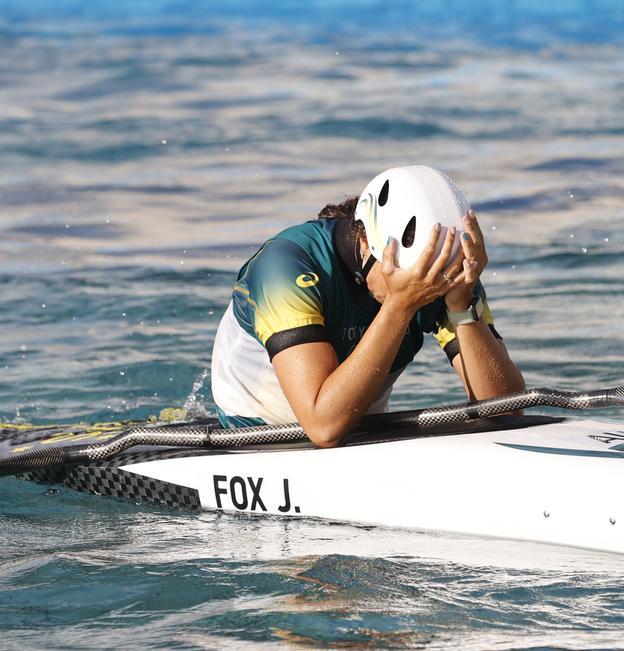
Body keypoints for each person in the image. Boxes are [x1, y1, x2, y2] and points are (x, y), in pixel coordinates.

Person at [210, 165, 525, 447]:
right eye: (411, 276)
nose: (426, 287)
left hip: (358, 428)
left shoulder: (442, 271)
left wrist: (461, 302)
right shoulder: (284, 266)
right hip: (255, 435)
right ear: (366, 244)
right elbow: (323, 427)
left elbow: (506, 410)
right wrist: (401, 305)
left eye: (437, 276)